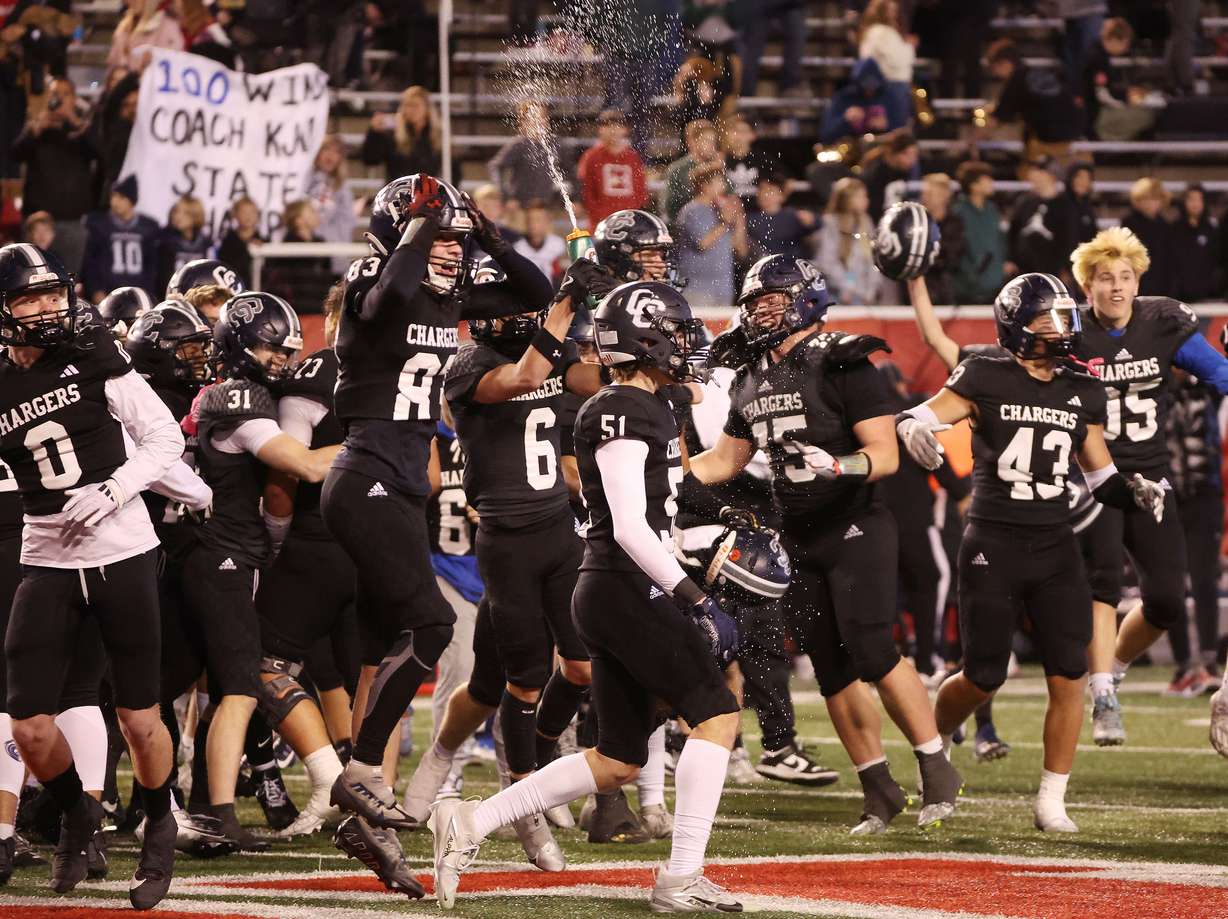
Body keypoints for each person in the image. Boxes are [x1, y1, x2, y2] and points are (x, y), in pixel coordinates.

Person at [429, 280, 744, 913]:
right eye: (674, 330)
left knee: (616, 758)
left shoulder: (641, 402)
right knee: (717, 715)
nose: (685, 342)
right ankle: (680, 879)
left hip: (610, 584)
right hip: (626, 584)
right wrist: (691, 596)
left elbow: (659, 504)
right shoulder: (625, 407)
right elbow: (629, 525)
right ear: (644, 338)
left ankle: (472, 822)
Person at [690, 255, 963, 834]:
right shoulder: (750, 376)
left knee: (871, 648)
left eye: (774, 299)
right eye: (755, 302)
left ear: (806, 299)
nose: (762, 310)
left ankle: (937, 767)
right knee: (830, 666)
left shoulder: (844, 362)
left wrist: (836, 464)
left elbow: (885, 456)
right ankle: (878, 788)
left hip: (855, 522)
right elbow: (722, 460)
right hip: (796, 532)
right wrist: (664, 470)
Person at [321, 174, 552, 836]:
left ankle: (364, 799)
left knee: (395, 640)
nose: (451, 250)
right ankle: (361, 770)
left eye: (455, 239)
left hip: (394, 484)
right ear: (404, 229)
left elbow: (536, 292)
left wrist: (489, 237)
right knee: (429, 626)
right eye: (439, 236)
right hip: (364, 471)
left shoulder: (445, 290)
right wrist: (422, 228)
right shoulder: (374, 275)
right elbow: (390, 292)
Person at [896, 272, 1165, 832]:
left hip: (1055, 544)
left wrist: (1137, 489)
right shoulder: (985, 371)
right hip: (993, 540)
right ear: (1018, 325)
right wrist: (912, 427)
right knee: (983, 675)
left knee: (1068, 673)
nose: (1062, 328)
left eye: (1065, 316)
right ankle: (936, 746)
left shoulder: (1081, 388)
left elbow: (1102, 479)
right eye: (1048, 318)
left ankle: (1051, 800)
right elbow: (926, 413)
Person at [0, 243, 186, 908]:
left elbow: (167, 441)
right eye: (32, 297)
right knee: (28, 724)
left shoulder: (94, 355)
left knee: (139, 717)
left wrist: (114, 489)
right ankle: (78, 811)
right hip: (47, 555)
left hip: (123, 547)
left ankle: (159, 819)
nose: (50, 308)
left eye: (55, 294)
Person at [179, 291, 339, 848]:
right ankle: (216, 816)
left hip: (207, 551)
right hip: (223, 552)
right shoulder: (237, 397)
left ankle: (200, 807)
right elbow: (305, 466)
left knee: (203, 687)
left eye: (286, 350)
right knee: (242, 688)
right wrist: (375, 443)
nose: (282, 360)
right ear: (241, 345)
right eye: (272, 349)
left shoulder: (223, 394)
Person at [1067, 228, 1228, 747]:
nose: (1116, 288)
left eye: (1126, 277)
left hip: (1152, 479)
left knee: (1164, 602)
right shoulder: (1067, 332)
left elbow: (1220, 374)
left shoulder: (1163, 323)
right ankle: (1102, 694)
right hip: (1093, 479)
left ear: (1139, 282)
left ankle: (1110, 670)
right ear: (1086, 285)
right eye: (1105, 278)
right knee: (1104, 583)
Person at [1163, 368, 1222, 695]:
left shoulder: (1208, 389)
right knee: (1169, 583)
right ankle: (1183, 664)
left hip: (1204, 496)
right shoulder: (1155, 388)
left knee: (1203, 580)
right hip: (1167, 497)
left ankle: (1209, 662)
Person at [12, 77, 96, 274]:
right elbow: (15, 154)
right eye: (54, 94)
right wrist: (35, 129)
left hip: (73, 222)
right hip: (38, 222)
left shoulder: (81, 128)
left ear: (74, 99)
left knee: (69, 282)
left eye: (65, 94)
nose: (58, 99)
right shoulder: (36, 127)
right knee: (32, 279)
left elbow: (99, 153)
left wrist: (73, 120)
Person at [984, 39, 1084, 168]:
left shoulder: (1016, 81)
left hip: (1052, 139)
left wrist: (972, 140)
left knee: (1026, 171)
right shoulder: (1038, 73)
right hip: (1073, 131)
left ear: (1004, 63)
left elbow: (997, 119)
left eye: (994, 68)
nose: (995, 74)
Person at [676, 162, 748, 312]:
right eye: (719, 181)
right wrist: (725, 222)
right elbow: (703, 243)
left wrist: (740, 219)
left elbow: (740, 251)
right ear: (704, 185)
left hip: (724, 288)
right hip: (697, 288)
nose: (723, 186)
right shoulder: (691, 211)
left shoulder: (721, 211)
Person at [80, 175, 160, 303]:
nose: (115, 202)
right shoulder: (99, 225)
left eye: (121, 197)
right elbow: (90, 263)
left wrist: (147, 294)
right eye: (113, 196)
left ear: (131, 200)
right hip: (106, 293)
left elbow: (151, 267)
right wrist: (96, 290)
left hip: (138, 294)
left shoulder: (149, 227)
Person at [814, 177, 883, 306]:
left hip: (864, 295)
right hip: (839, 293)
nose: (866, 201)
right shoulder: (831, 223)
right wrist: (849, 288)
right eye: (860, 197)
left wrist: (870, 291)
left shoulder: (866, 222)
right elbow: (828, 262)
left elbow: (873, 260)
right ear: (847, 199)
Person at [576, 110, 648, 227]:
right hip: (600, 225)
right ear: (600, 130)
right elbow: (586, 192)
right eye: (607, 126)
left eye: (617, 126)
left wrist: (630, 215)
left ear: (625, 130)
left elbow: (641, 192)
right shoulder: (591, 157)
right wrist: (602, 218)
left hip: (629, 223)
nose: (613, 131)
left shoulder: (632, 158)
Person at [951, 161, 1007, 305]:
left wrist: (1003, 264)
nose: (992, 183)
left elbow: (999, 240)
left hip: (995, 285)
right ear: (973, 185)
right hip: (967, 288)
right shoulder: (958, 212)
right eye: (987, 180)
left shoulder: (992, 210)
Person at [818, 57, 910, 146]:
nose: (869, 91)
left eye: (873, 87)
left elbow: (904, 135)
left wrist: (889, 125)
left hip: (883, 150)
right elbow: (826, 135)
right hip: (850, 150)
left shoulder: (891, 97)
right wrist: (845, 120)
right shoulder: (843, 98)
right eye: (865, 87)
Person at [360, 86, 441, 185]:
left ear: (427, 109)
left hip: (428, 195)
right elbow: (370, 160)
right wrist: (374, 133)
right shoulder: (393, 135)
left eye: (415, 105)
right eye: (407, 105)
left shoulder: (437, 137)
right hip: (398, 193)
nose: (411, 110)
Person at [306, 135, 358, 275]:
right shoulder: (302, 179)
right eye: (327, 149)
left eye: (337, 152)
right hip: (304, 249)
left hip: (331, 255)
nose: (331, 155)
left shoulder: (343, 187)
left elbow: (346, 223)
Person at [1007, 158, 1065, 278]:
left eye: (1038, 170)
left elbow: (1069, 238)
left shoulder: (1065, 205)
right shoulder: (1024, 203)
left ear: (1051, 175)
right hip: (1022, 272)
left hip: (1053, 273)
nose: (1032, 174)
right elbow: (1012, 233)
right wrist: (1011, 259)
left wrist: (1066, 268)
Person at [735, 0, 806, 97]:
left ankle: (790, 85)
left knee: (797, 33)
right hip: (759, 6)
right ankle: (746, 92)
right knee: (752, 42)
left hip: (789, 6)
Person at [659, 119, 721, 229]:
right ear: (693, 142)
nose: (711, 146)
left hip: (717, 221)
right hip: (687, 225)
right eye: (706, 140)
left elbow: (730, 196)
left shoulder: (718, 166)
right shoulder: (677, 169)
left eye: (714, 141)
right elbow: (669, 207)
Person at [1120, 178, 1174, 298]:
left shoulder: (1165, 226)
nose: (1150, 203)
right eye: (1146, 199)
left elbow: (1169, 260)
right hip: (1136, 283)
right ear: (1137, 200)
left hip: (1161, 284)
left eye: (1154, 199)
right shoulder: (1129, 223)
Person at [1047, 162, 1098, 289]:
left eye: (1087, 178)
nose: (1083, 182)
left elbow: (1091, 240)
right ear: (1070, 179)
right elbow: (1052, 240)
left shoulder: (1088, 208)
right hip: (1059, 271)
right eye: (1079, 177)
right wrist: (1061, 269)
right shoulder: (1057, 204)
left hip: (1082, 270)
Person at [746, 173, 817, 262]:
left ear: (782, 196)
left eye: (770, 190)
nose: (764, 194)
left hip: (793, 267)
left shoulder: (793, 216)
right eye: (761, 190)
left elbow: (819, 225)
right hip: (762, 267)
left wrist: (811, 221)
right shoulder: (750, 219)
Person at [1170, 184, 1220, 304]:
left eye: (1199, 199)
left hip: (1207, 295)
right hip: (1180, 296)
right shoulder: (1173, 229)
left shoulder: (1212, 229)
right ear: (1184, 202)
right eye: (1191, 199)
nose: (1195, 203)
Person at [107, 0, 185, 76]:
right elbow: (111, 70)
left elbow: (171, 68)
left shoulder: (168, 26)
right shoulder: (123, 28)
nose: (127, 1)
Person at [918, 174, 963, 305]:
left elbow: (951, 257)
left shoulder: (955, 223)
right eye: (924, 193)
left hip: (947, 288)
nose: (924, 197)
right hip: (919, 287)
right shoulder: (917, 222)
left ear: (944, 196)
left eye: (930, 193)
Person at [157, 196, 212, 297]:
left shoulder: (205, 244)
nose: (178, 216)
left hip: (197, 299)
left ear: (196, 216)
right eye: (176, 211)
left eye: (185, 213)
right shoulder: (163, 241)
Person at [857, 0, 916, 94]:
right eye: (890, 10)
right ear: (881, 11)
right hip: (890, 85)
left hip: (893, 84)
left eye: (895, 11)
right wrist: (909, 46)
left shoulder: (880, 32)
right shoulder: (880, 32)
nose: (893, 14)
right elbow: (896, 60)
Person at [862, 130, 919, 223]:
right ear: (895, 154)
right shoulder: (876, 174)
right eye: (908, 154)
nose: (913, 160)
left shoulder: (905, 171)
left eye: (915, 154)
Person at [512, 201, 566, 285]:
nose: (532, 224)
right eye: (530, 219)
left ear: (547, 221)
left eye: (538, 219)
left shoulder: (558, 245)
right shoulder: (517, 247)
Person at [217, 197, 264, 289]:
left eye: (252, 212)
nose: (248, 216)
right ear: (235, 215)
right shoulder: (228, 242)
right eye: (243, 212)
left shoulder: (264, 241)